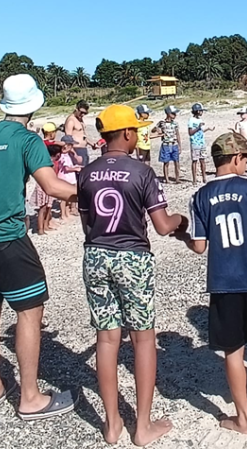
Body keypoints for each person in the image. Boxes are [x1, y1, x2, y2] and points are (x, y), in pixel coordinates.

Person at [0, 74, 79, 420]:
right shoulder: (27, 140)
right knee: (29, 311)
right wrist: (93, 189)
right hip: (7, 237)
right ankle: (30, 397)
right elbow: (53, 187)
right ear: (34, 105)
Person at [79, 105, 187, 445]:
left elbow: (87, 223)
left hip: (96, 254)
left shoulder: (87, 172)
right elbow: (161, 225)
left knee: (107, 338)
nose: (139, 135)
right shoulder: (141, 172)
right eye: (136, 131)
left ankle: (111, 424)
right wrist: (181, 221)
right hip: (132, 257)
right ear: (126, 133)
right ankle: (142, 426)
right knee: (142, 338)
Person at [181, 132, 247, 435]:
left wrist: (183, 235)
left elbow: (199, 246)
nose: (246, 165)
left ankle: (243, 419)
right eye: (246, 160)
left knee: (233, 352)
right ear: (237, 158)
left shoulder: (200, 196)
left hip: (224, 283)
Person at [150, 105, 182, 183]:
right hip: (166, 145)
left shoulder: (175, 124)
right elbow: (153, 130)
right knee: (166, 162)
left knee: (176, 162)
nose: (175, 115)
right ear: (168, 113)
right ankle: (167, 179)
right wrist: (157, 129)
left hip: (174, 144)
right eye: (173, 113)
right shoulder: (162, 123)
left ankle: (177, 178)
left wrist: (180, 146)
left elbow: (177, 135)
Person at [188, 103, 215, 184]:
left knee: (203, 160)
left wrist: (209, 129)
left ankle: (204, 177)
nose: (202, 112)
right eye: (201, 111)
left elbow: (202, 130)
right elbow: (190, 132)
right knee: (195, 161)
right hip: (195, 143)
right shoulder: (191, 120)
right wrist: (198, 127)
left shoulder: (200, 120)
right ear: (197, 111)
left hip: (201, 142)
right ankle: (194, 179)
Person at [65, 100, 96, 170]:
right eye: (81, 112)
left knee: (84, 174)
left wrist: (93, 144)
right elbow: (68, 140)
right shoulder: (71, 120)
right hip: (76, 150)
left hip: (83, 150)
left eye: (85, 113)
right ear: (76, 109)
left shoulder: (80, 119)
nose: (82, 115)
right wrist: (75, 155)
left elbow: (83, 136)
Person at [57, 135, 82, 221]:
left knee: (68, 197)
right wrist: (76, 169)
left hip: (69, 178)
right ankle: (63, 214)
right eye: (70, 145)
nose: (72, 147)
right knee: (63, 198)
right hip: (64, 178)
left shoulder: (67, 155)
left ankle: (67, 213)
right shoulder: (62, 156)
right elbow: (66, 168)